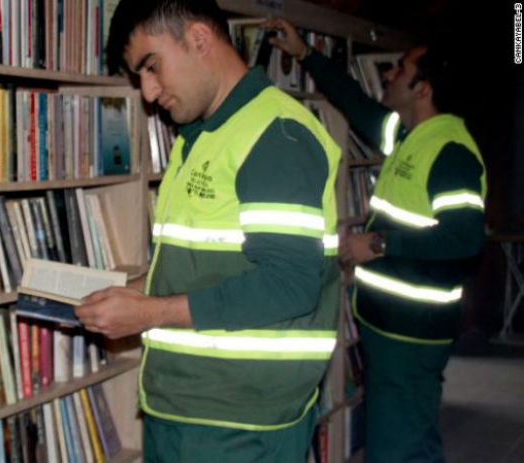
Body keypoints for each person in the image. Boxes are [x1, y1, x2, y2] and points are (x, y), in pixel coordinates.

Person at [75, 1, 342, 461]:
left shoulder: (274, 135)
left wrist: (149, 314)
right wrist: (134, 295)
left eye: (152, 66)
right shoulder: (203, 134)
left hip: (240, 424)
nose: (148, 92)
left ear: (199, 39)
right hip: (187, 409)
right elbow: (205, 264)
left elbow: (289, 286)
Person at [265, 18, 487, 463]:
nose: (389, 74)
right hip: (391, 326)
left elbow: (464, 238)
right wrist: (305, 54)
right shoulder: (409, 136)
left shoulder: (450, 152)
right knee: (413, 435)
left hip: (412, 333)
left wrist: (379, 244)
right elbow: (356, 103)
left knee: (393, 447)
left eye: (401, 70)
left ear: (423, 89)